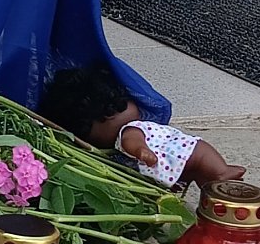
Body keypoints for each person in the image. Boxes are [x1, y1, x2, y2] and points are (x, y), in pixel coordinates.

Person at [38, 64, 245, 189]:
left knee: (203, 159)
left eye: (120, 106)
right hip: (176, 162)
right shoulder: (119, 140)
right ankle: (213, 186)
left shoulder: (128, 130)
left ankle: (222, 171)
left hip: (187, 153)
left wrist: (140, 151)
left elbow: (132, 141)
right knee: (202, 177)